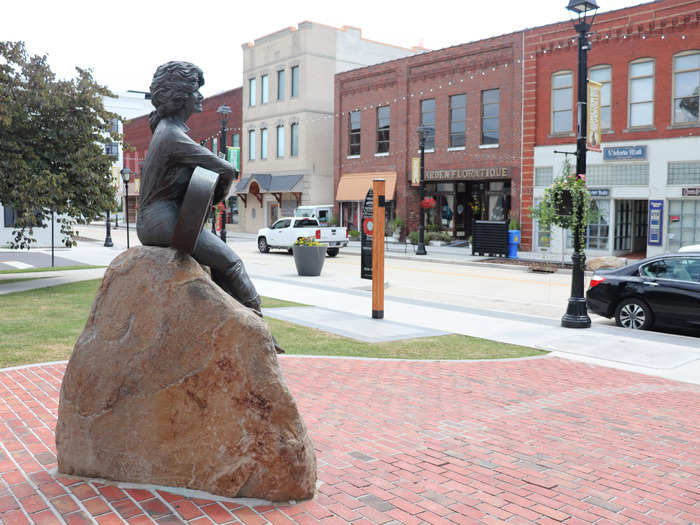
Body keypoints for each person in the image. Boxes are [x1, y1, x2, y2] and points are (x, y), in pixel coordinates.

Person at [138, 61, 262, 315]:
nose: (200, 95)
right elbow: (226, 169)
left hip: (160, 222)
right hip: (163, 225)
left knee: (218, 265)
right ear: (180, 95)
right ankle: (257, 321)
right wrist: (216, 197)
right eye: (195, 89)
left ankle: (233, 316)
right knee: (233, 263)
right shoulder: (171, 135)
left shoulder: (167, 131)